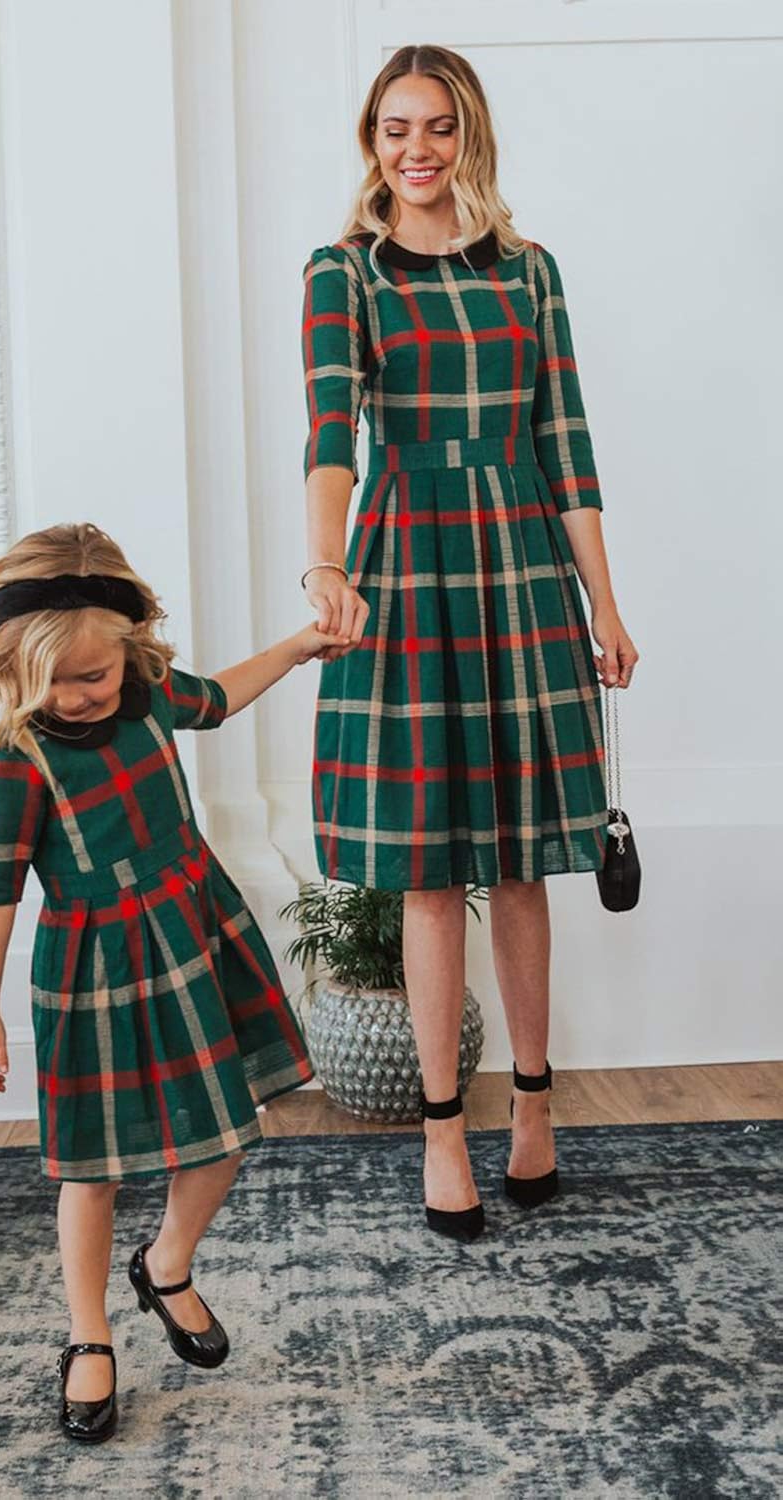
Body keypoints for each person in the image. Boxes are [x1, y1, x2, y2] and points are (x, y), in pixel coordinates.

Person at [300, 46, 639, 1243]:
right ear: (370, 141)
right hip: (404, 560)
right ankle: (444, 1134)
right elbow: (330, 433)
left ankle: (533, 1110)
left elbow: (569, 448)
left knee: (522, 864)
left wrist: (604, 603)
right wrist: (328, 564)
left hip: (520, 563)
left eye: (436, 128)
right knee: (431, 868)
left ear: (469, 135)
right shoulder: (343, 272)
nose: (416, 150)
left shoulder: (530, 274)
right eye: (394, 129)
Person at [0, 522, 344, 1442]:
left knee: (227, 1129)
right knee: (92, 1167)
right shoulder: (19, 756)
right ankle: (89, 1336)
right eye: (55, 680)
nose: (78, 696)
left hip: (190, 924)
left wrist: (297, 647)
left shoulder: (149, 692)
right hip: (93, 964)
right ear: (11, 669)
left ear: (128, 653)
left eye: (95, 675)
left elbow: (218, 696)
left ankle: (167, 1264)